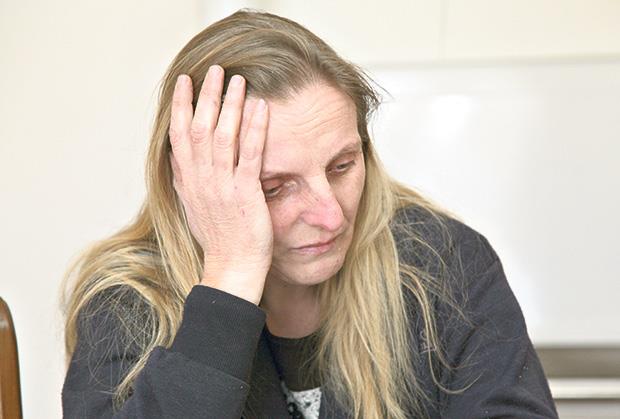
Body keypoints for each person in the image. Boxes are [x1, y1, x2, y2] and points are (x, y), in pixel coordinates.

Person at [60, 8, 559, 419]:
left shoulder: (444, 261)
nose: (331, 217)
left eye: (342, 166)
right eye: (275, 187)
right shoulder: (125, 301)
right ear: (193, 184)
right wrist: (231, 276)